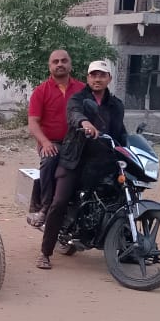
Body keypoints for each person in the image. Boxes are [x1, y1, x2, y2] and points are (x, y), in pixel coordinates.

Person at [37, 60, 127, 270]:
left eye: (102, 75)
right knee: (59, 202)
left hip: (104, 161)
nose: (97, 79)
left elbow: (120, 132)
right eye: (94, 75)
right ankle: (45, 253)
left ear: (109, 79)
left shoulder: (116, 105)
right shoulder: (77, 98)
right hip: (75, 159)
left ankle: (126, 246)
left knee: (122, 196)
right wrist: (84, 122)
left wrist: (130, 149)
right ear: (88, 78)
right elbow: (73, 114)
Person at [26, 50, 86, 229]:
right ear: (50, 66)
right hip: (53, 143)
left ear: (70, 65)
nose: (60, 64)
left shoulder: (83, 89)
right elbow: (33, 123)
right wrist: (45, 142)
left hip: (78, 143)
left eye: (64, 61)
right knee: (50, 159)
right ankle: (45, 207)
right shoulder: (40, 91)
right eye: (55, 61)